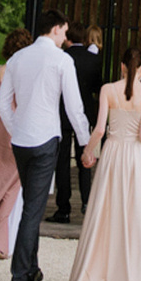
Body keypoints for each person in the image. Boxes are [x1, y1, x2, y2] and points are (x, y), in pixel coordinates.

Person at [0, 9, 93, 281]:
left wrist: (16, 129)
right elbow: (74, 108)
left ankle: (32, 268)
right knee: (32, 211)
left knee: (31, 205)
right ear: (56, 28)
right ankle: (19, 279)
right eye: (64, 31)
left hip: (21, 141)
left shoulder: (17, 58)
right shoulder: (61, 60)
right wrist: (86, 144)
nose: (66, 36)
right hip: (45, 139)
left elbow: (2, 105)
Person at [62, 46, 141, 281]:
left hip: (112, 153)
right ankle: (130, 279)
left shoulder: (108, 90)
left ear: (121, 66)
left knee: (104, 211)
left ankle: (96, 276)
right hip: (134, 157)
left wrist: (87, 152)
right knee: (133, 214)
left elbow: (99, 129)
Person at [0, 29, 34, 259]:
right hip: (18, 129)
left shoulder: (0, 70)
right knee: (13, 186)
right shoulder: (27, 72)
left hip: (1, 131)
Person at [54, 24, 104, 222]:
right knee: (85, 157)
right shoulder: (93, 59)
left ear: (67, 38)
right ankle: (86, 201)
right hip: (85, 112)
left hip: (63, 112)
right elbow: (97, 87)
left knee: (62, 161)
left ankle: (63, 207)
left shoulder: (62, 57)